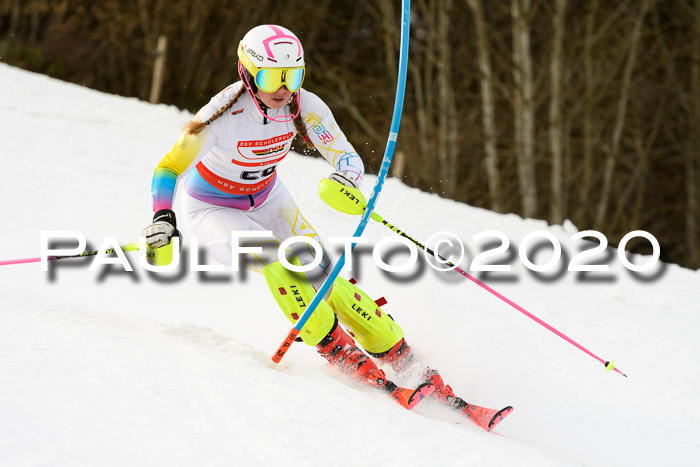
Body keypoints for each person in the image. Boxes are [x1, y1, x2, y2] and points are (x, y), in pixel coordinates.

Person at [141, 24, 463, 410]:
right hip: (212, 208)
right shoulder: (223, 112)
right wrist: (162, 216)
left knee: (324, 274)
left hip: (268, 196)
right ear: (247, 72)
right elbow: (168, 166)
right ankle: (338, 350)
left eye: (294, 76)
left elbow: (346, 157)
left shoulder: (303, 104)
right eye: (273, 77)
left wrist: (344, 180)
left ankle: (399, 355)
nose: (284, 88)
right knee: (279, 264)